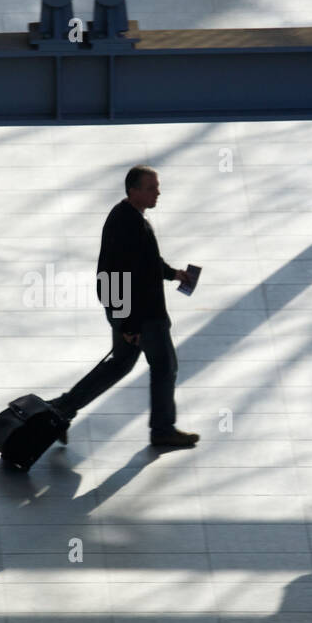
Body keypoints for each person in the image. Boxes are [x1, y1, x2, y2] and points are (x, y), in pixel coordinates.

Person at [47, 165, 199, 448]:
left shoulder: (129, 216)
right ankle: (162, 430)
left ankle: (61, 409)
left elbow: (145, 263)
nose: (158, 192)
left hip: (131, 314)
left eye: (157, 186)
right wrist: (126, 324)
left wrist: (173, 273)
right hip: (143, 316)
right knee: (165, 366)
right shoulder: (128, 224)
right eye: (151, 188)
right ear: (134, 190)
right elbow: (114, 275)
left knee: (118, 365)